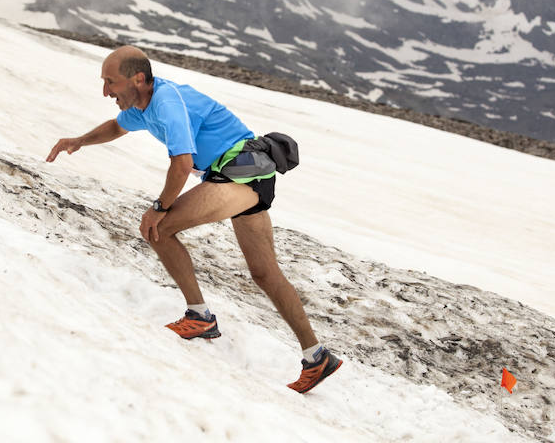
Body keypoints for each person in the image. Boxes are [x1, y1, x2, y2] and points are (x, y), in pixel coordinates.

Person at [46, 45, 341, 393]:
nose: (106, 91)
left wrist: (159, 206)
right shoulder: (142, 104)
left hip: (239, 173)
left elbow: (182, 164)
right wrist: (79, 141)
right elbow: (116, 126)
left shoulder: (167, 102)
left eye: (111, 82)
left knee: (158, 227)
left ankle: (200, 317)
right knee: (264, 272)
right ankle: (317, 355)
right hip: (244, 174)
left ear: (138, 79)